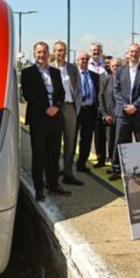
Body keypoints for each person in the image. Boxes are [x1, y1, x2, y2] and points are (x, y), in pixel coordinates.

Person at [21, 42, 71, 201]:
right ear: (34, 54)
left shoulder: (55, 72)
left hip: (55, 119)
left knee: (54, 154)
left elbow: (61, 93)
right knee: (39, 155)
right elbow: (28, 95)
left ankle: (53, 184)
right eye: (38, 52)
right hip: (39, 119)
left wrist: (56, 107)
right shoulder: (27, 72)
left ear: (49, 53)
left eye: (44, 52)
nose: (41, 55)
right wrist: (45, 109)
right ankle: (39, 188)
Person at [109, 43, 140, 180]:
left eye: (136, 52)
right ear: (127, 54)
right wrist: (125, 106)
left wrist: (134, 106)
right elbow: (116, 90)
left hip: (139, 112)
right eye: (131, 52)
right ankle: (117, 169)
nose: (133, 54)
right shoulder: (120, 70)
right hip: (122, 113)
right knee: (120, 141)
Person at [51, 41, 83, 186]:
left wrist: (78, 108)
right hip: (55, 109)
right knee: (54, 141)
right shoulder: (49, 68)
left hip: (70, 107)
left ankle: (68, 173)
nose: (61, 53)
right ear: (54, 52)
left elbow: (78, 89)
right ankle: (54, 172)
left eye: (63, 50)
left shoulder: (72, 68)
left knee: (70, 142)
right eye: (58, 50)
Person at [75, 51, 100, 174]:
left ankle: (81, 164)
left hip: (89, 111)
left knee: (86, 139)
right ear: (77, 61)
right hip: (75, 110)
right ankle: (68, 166)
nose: (84, 61)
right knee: (71, 138)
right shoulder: (73, 75)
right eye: (82, 59)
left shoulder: (94, 76)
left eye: (86, 59)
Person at [99, 58, 121, 174]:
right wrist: (105, 114)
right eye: (113, 66)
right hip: (109, 117)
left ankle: (120, 166)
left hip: (121, 116)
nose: (115, 68)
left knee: (120, 141)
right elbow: (101, 98)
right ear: (110, 67)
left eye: (117, 65)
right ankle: (113, 165)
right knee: (111, 141)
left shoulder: (124, 80)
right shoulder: (106, 80)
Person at [88, 42, 108, 168]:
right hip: (90, 105)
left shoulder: (106, 66)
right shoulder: (85, 65)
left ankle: (102, 158)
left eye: (98, 50)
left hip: (104, 104)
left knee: (101, 133)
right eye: (94, 50)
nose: (96, 52)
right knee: (87, 134)